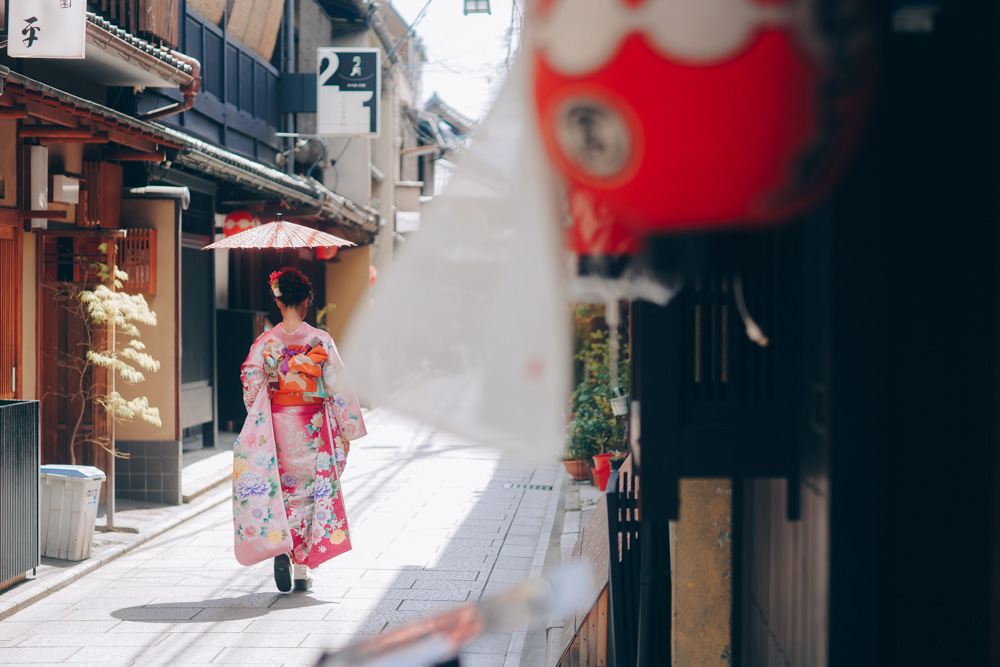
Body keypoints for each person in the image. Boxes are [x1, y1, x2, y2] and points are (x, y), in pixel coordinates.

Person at [232, 267, 366, 592]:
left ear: (278, 302)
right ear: (306, 301)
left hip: (277, 424)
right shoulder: (320, 340)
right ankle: (302, 566)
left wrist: (264, 408)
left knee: (283, 490)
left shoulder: (265, 343)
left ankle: (283, 548)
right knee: (310, 494)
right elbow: (338, 387)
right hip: (312, 425)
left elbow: (250, 380)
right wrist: (346, 431)